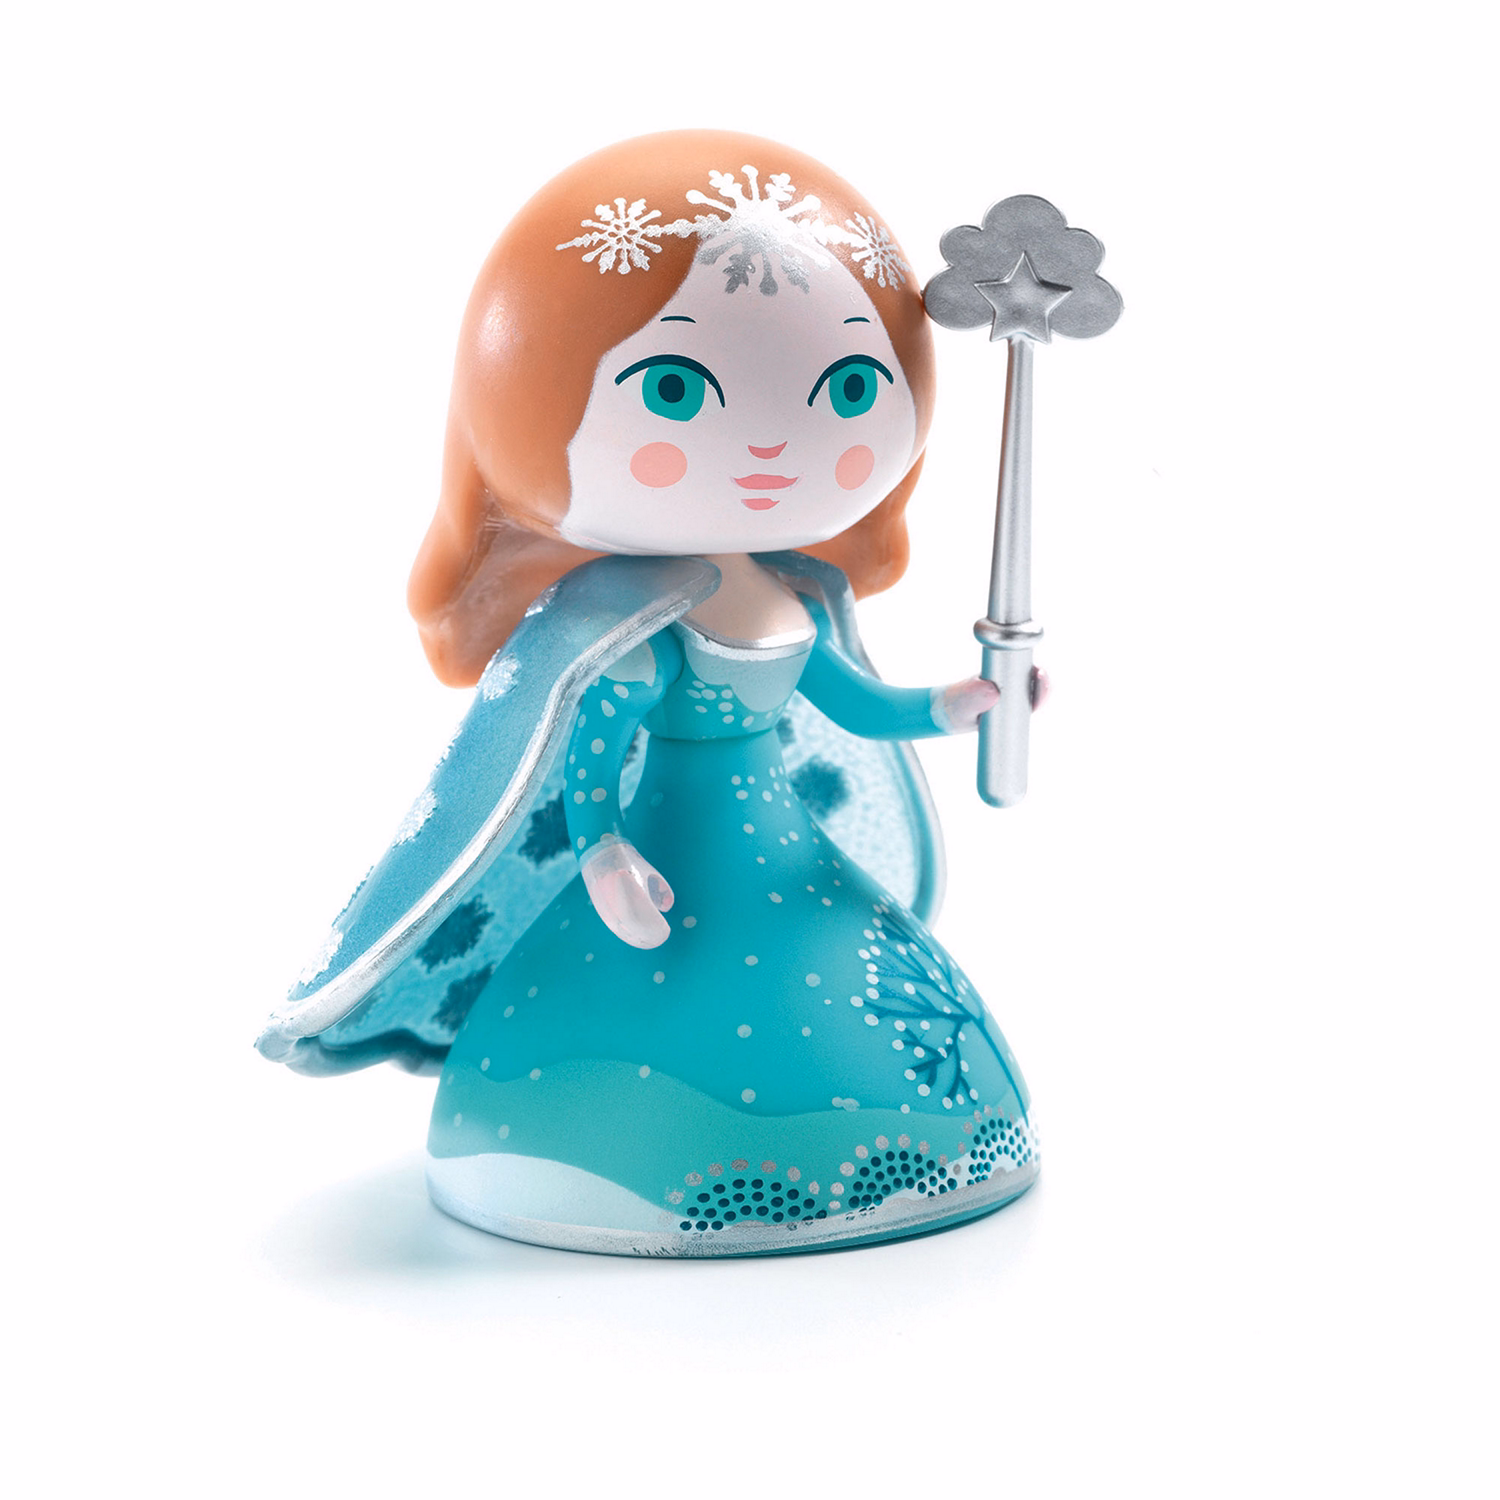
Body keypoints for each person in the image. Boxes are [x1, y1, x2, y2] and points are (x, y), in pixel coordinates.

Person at [261, 131, 1039, 1255]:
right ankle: (627, 1154)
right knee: (657, 1018)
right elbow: (587, 767)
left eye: (848, 388)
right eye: (675, 390)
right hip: (666, 865)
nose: (769, 445)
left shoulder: (799, 598)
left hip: (787, 858)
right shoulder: (629, 634)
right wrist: (605, 857)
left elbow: (854, 704)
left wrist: (956, 705)